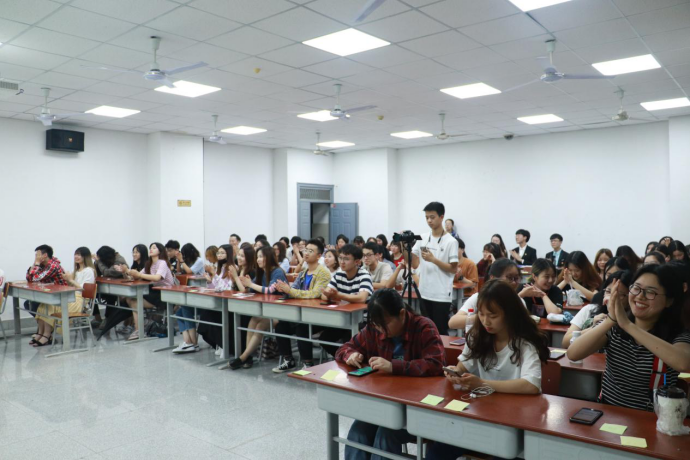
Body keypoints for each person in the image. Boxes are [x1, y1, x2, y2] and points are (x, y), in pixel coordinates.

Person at [427, 279, 550, 460]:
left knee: (503, 452)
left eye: (493, 316)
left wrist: (482, 383)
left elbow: (531, 385)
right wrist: (456, 372)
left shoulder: (525, 342)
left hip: (514, 421)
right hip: (482, 415)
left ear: (509, 313)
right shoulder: (478, 335)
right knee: (437, 449)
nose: (486, 321)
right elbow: (464, 364)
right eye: (482, 314)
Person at [336, 289, 445, 460]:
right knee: (358, 433)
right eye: (376, 325)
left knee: (385, 435)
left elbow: (436, 364)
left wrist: (394, 366)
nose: (381, 330)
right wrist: (350, 354)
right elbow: (344, 348)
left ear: (401, 314)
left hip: (416, 408)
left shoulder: (424, 327)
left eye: (385, 324)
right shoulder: (374, 329)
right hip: (383, 405)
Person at [567, 264, 690, 411]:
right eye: (636, 288)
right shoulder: (613, 326)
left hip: (650, 419)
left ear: (669, 300)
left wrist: (628, 325)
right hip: (608, 414)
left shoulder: (677, 335)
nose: (640, 296)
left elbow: (683, 363)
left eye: (651, 292)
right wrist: (611, 320)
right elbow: (573, 354)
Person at [272, 239, 331, 372]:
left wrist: (290, 291)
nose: (306, 253)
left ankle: (308, 364)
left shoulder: (323, 273)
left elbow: (315, 294)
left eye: (311, 251)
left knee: (302, 326)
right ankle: (288, 360)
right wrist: (284, 290)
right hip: (302, 313)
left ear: (319, 255)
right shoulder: (304, 272)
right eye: (306, 250)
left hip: (318, 315)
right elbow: (294, 289)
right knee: (281, 325)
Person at [230, 246, 288, 369]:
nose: (258, 260)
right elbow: (249, 289)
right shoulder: (262, 272)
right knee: (253, 320)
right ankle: (248, 357)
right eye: (257, 257)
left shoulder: (278, 272)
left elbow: (269, 290)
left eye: (261, 257)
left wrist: (250, 284)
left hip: (282, 312)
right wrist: (245, 283)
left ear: (269, 257)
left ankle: (243, 357)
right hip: (269, 311)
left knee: (261, 325)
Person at [408, 202, 459, 336]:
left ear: (441, 217)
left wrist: (434, 260)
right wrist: (404, 248)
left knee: (440, 332)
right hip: (424, 292)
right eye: (426, 218)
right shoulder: (422, 238)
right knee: (425, 331)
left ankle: (442, 351)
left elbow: (453, 269)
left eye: (432, 217)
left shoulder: (451, 241)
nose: (429, 221)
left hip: (441, 295)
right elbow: (414, 264)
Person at [33, 247, 95, 347]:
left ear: (85, 257)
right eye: (75, 254)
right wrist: (66, 280)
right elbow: (70, 285)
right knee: (43, 305)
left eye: (79, 255)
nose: (76, 257)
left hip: (79, 300)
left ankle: (47, 335)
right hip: (71, 296)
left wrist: (70, 280)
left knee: (51, 306)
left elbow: (84, 289)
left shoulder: (89, 271)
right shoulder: (75, 270)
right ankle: (40, 333)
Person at [561, 270, 632, 348]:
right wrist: (594, 328)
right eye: (608, 291)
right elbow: (566, 342)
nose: (612, 297)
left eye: (619, 294)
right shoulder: (589, 310)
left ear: (630, 297)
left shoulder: (633, 321)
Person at [449, 259, 525, 330]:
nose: (514, 282)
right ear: (493, 278)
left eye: (516, 278)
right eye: (509, 277)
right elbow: (453, 322)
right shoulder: (479, 297)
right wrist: (483, 317)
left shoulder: (519, 301)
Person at [126, 242, 175, 341]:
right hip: (155, 291)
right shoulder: (149, 263)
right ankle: (142, 325)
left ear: (160, 251)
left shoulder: (162, 262)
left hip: (166, 293)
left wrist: (139, 275)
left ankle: (140, 329)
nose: (151, 249)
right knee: (130, 299)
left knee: (135, 301)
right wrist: (128, 272)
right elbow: (138, 275)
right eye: (150, 248)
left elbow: (157, 278)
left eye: (154, 248)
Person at [172, 243, 206, 354]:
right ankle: (188, 342)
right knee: (179, 313)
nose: (184, 257)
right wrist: (179, 261)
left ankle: (193, 343)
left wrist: (182, 261)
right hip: (191, 292)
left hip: (201, 294)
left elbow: (189, 272)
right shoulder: (186, 261)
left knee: (185, 308)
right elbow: (179, 271)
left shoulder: (199, 261)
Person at [24, 244, 67, 317]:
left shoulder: (53, 266)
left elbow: (35, 279)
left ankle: (45, 321)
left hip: (59, 295)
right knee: (28, 304)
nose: (36, 257)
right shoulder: (42, 265)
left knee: (32, 304)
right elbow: (29, 279)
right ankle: (42, 321)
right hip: (48, 293)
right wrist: (35, 263)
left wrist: (36, 263)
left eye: (37, 255)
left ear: (45, 255)